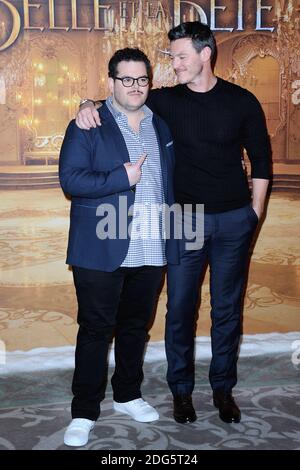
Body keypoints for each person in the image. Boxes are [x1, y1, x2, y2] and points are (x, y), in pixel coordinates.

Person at [76, 22, 271, 425]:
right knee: (180, 308)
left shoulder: (242, 101)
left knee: (227, 309)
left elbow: (262, 162)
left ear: (205, 54)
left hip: (234, 220)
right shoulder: (164, 101)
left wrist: (254, 213)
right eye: (171, 57)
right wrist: (85, 103)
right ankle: (181, 391)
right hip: (185, 221)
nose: (174, 64)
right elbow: (118, 101)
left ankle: (222, 388)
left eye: (180, 56)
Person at [59, 47, 178, 447]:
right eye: (126, 79)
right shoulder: (87, 123)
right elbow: (71, 181)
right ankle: (84, 411)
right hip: (101, 246)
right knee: (95, 329)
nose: (135, 87)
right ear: (110, 82)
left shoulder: (160, 126)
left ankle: (127, 394)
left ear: (150, 81)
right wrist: (120, 177)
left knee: (134, 328)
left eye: (142, 79)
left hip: (151, 245)